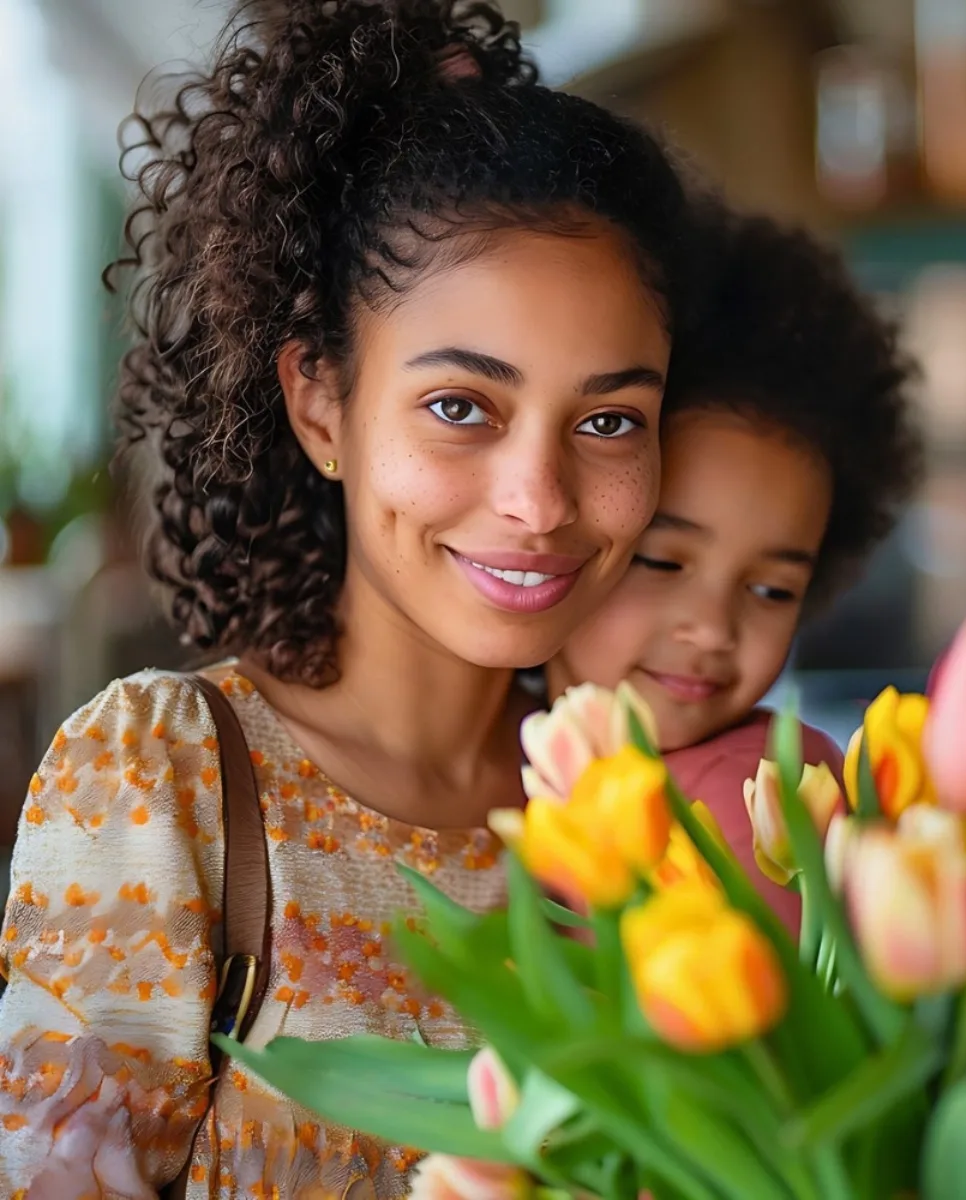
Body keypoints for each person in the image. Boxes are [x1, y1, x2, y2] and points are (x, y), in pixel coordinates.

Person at [0, 1, 690, 1194]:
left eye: (609, 419)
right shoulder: (168, 781)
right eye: (461, 406)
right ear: (322, 404)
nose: (539, 499)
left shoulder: (647, 825)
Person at [546, 203, 922, 935]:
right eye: (662, 560)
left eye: (771, 589)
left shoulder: (752, 803)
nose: (714, 628)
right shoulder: (524, 756)